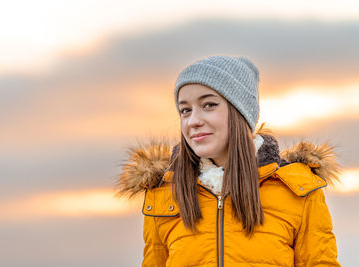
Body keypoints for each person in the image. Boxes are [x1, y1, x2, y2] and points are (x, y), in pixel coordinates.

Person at [116, 55, 341, 266]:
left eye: (208, 105)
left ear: (240, 112)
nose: (193, 121)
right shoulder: (162, 195)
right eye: (185, 110)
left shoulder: (299, 191)